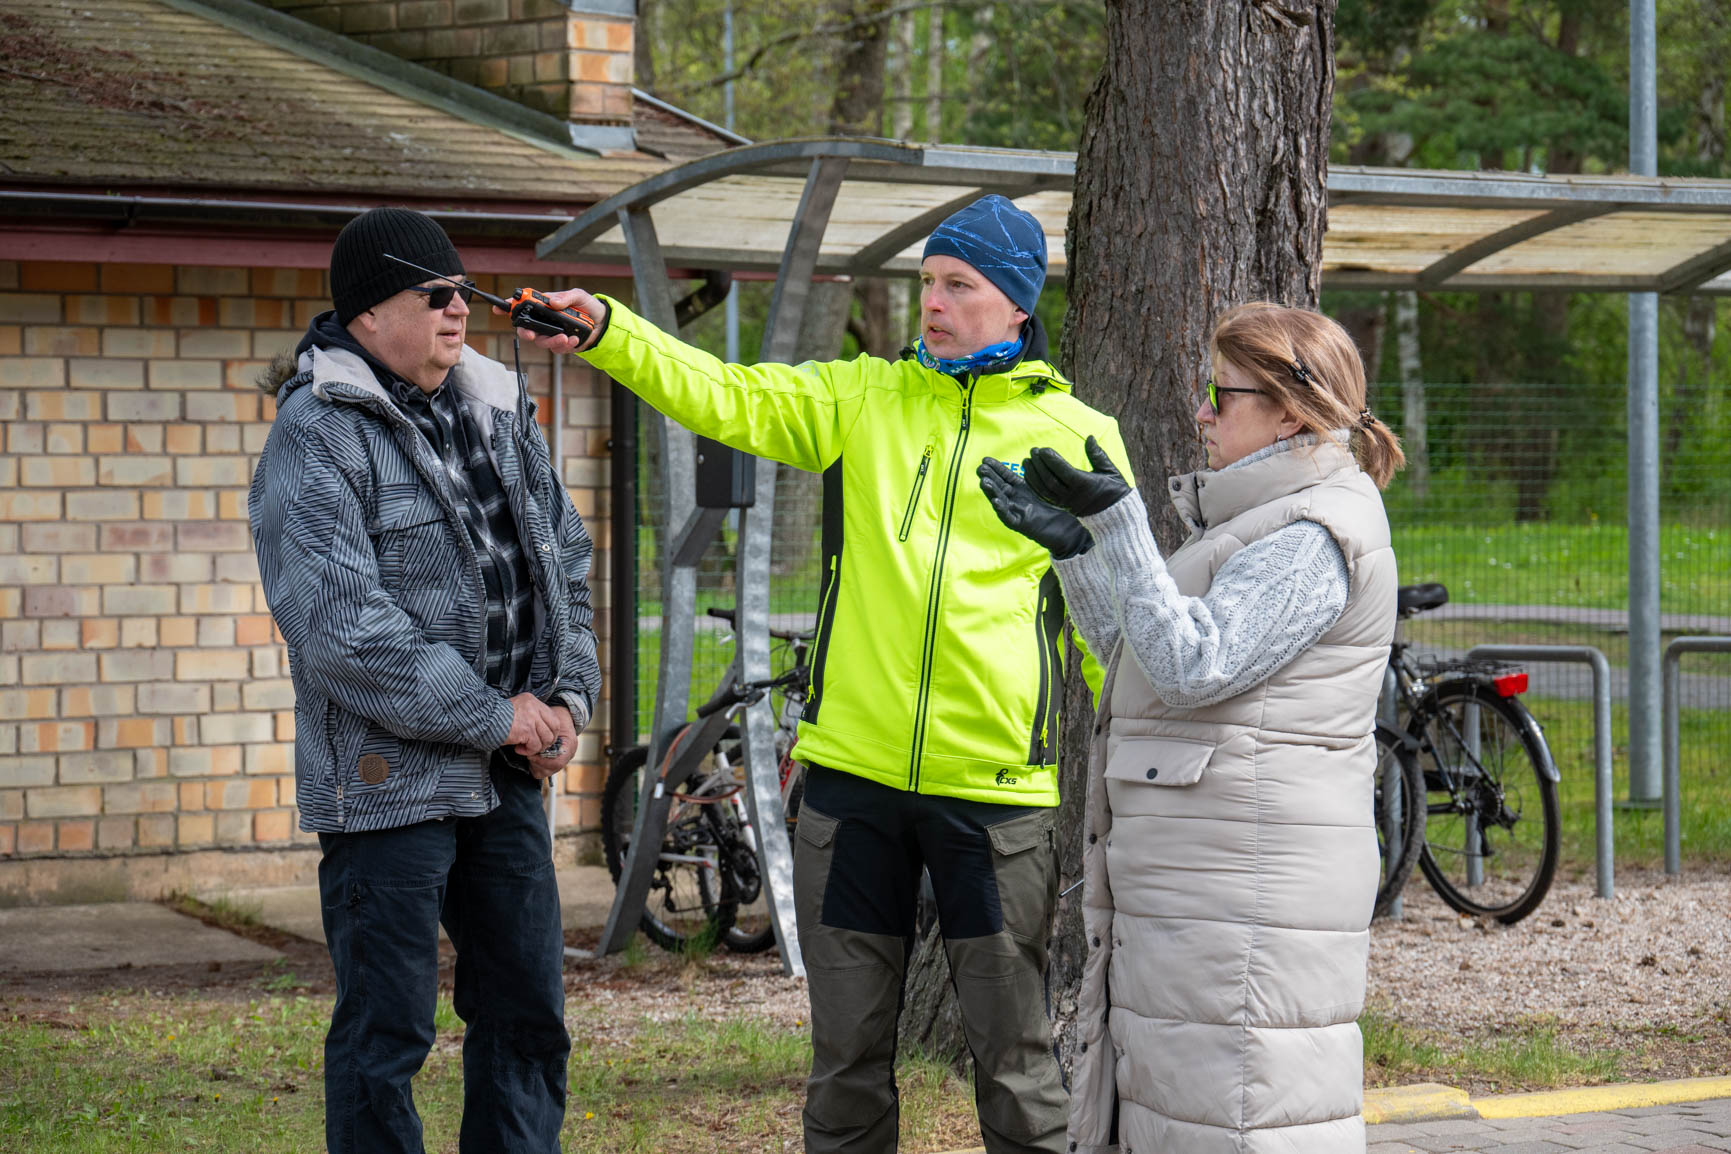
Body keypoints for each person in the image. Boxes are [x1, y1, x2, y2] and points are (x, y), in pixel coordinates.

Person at [515, 195, 1129, 1153]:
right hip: (852, 787)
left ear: (1014, 303)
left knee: (1015, 1062)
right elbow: (725, 394)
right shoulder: (863, 399)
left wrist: (1144, 775)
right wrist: (611, 333)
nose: (930, 303)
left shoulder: (1077, 432)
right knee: (844, 1066)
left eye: (956, 286)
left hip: (997, 794)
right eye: (925, 282)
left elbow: (1117, 624)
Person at [979, 302, 1404, 1154]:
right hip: (1208, 891)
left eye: (1222, 393)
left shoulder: (1314, 533)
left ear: (1291, 410)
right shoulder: (1258, 526)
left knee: (1241, 1124)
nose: (1201, 413)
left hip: (1246, 901)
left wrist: (1123, 529)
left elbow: (1191, 666)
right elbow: (1140, 662)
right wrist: (1078, 555)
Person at [249, 207, 601, 1154]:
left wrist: (567, 700)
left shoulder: (494, 407)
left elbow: (565, 560)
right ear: (368, 316)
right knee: (387, 1033)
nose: (459, 314)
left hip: (504, 779)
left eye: (464, 295)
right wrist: (497, 716)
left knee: (528, 1016)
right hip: (386, 788)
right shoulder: (316, 433)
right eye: (436, 297)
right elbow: (342, 631)